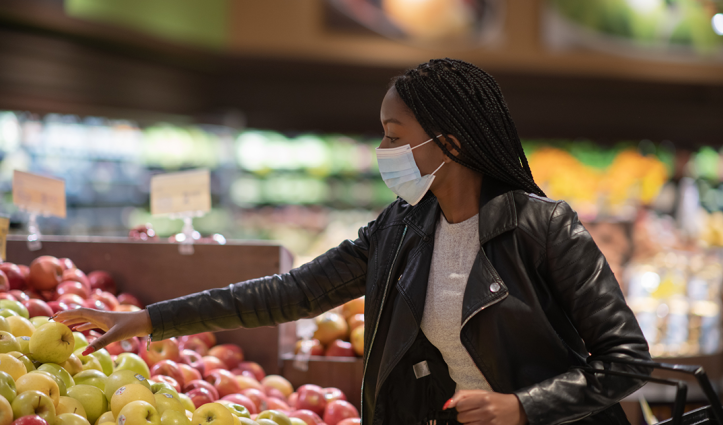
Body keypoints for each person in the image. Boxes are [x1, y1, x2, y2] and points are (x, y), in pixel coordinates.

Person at [56, 59, 650, 425]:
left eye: (395, 137)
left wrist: (521, 408)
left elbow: (626, 361)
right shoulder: (401, 228)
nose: (384, 152)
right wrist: (149, 320)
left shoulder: (543, 228)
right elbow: (291, 293)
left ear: (450, 144)